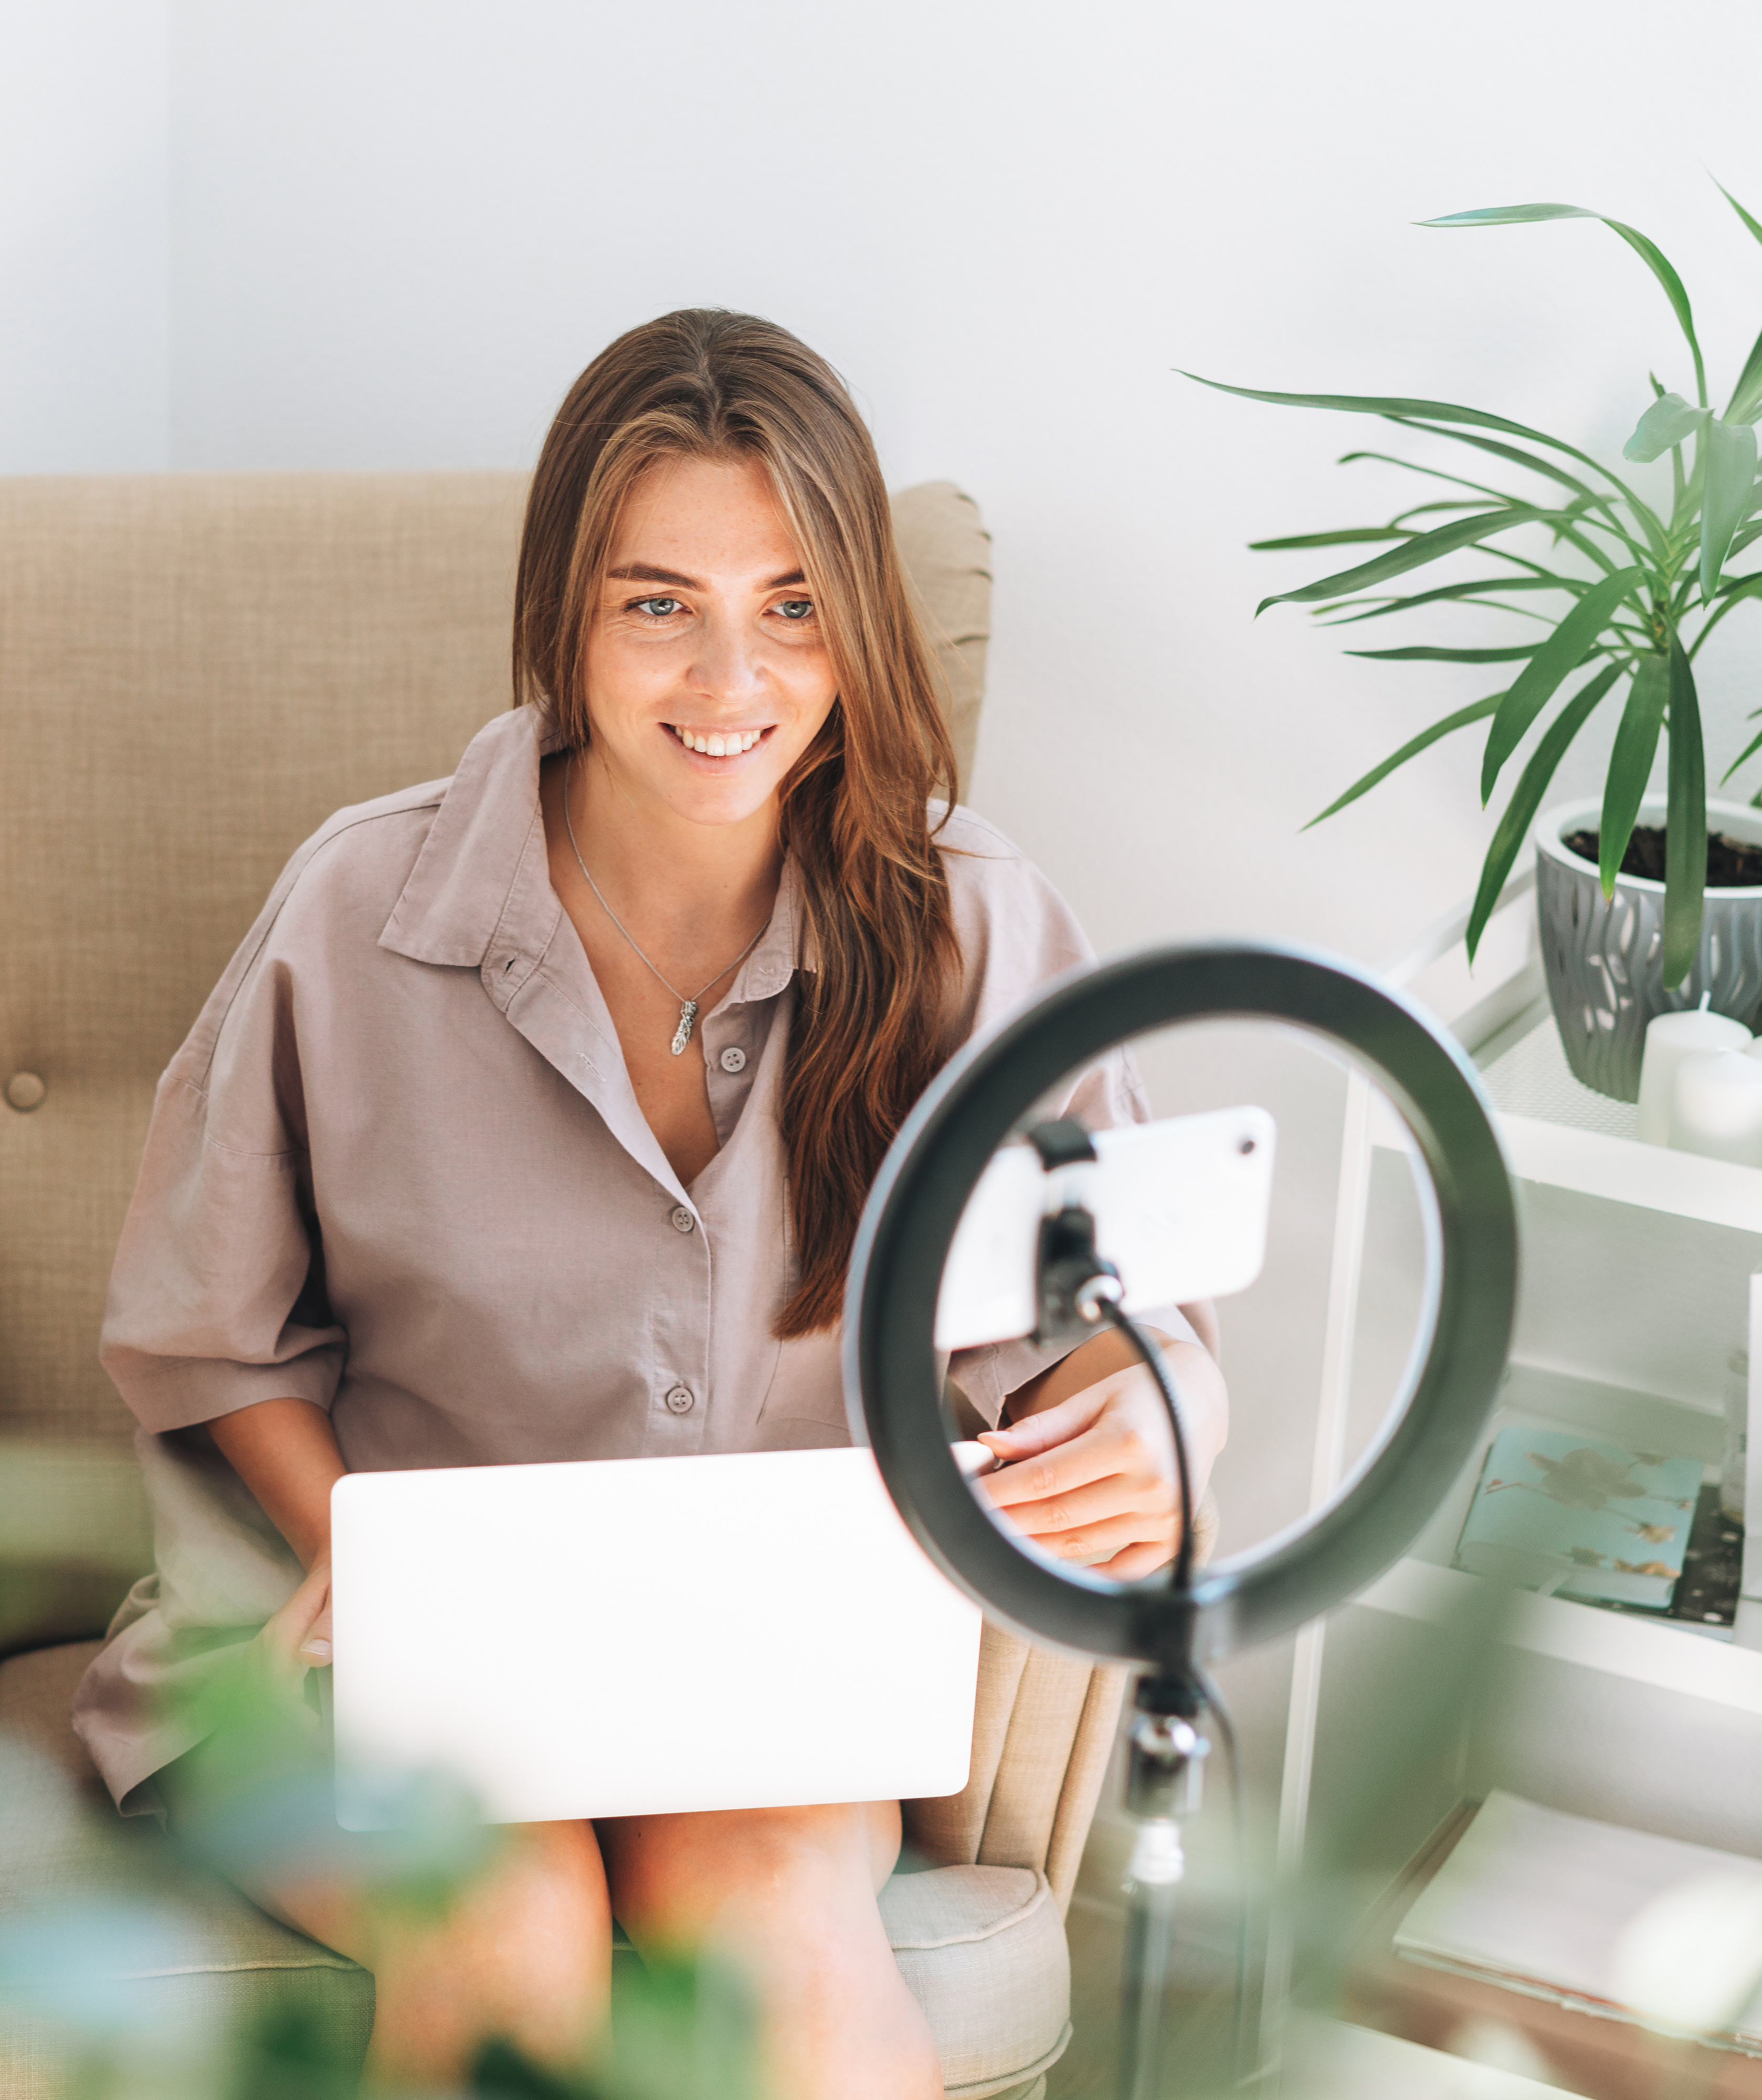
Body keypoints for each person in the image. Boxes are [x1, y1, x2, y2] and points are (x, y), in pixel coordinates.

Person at [71, 308, 1225, 2098]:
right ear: (566, 616)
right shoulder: (354, 912)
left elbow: (1125, 1322)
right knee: (503, 1918)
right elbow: (208, 1347)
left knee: (772, 1923)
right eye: (658, 603)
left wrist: (1157, 1423)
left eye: (792, 605)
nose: (728, 679)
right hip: (346, 1664)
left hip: (761, 1684)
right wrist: (368, 1566)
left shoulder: (972, 926)